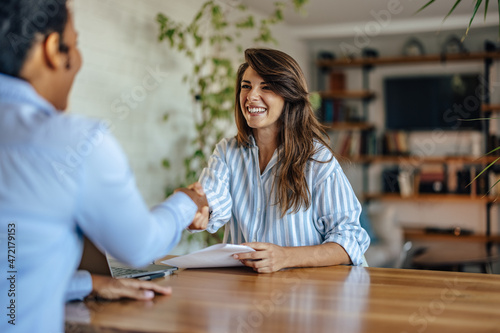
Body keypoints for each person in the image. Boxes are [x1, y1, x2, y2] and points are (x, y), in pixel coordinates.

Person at [0, 1, 208, 332]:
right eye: (76, 42)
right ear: (54, 49)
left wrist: (88, 284)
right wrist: (188, 201)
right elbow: (139, 246)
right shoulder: (75, 142)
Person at [199, 48, 370, 273]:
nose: (251, 96)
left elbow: (351, 240)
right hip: (248, 288)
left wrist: (285, 257)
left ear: (288, 95)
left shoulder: (316, 158)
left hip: (310, 294)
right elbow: (211, 199)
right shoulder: (227, 152)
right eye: (246, 86)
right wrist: (195, 209)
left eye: (266, 87)